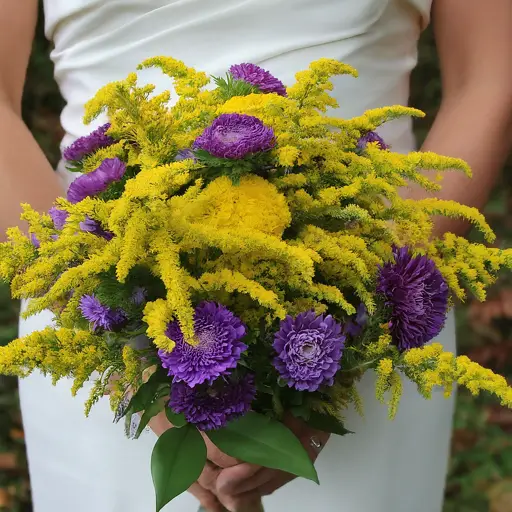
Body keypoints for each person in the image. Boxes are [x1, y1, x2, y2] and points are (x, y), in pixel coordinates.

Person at [2, 0, 511, 511]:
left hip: (373, 297)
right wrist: (117, 333)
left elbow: (488, 81)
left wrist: (363, 319)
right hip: (94, 298)